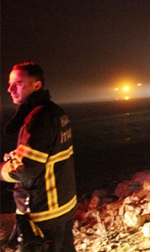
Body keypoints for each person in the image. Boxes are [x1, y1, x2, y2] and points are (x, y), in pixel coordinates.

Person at [1, 62, 77, 251]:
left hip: (44, 212)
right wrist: (19, 155)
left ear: (37, 85)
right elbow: (48, 154)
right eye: (10, 84)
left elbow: (26, 168)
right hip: (64, 205)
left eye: (18, 83)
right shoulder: (55, 112)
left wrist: (3, 169)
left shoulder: (38, 118)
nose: (10, 89)